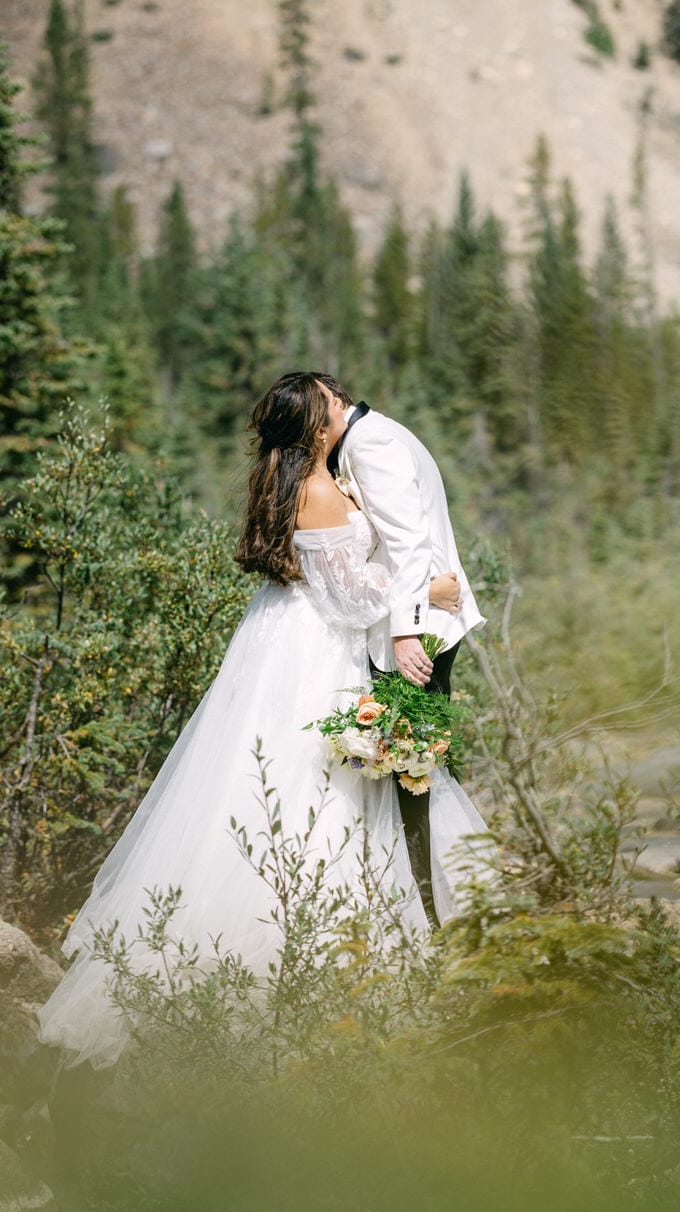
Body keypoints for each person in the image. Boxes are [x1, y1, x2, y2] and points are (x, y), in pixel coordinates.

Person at [36, 373, 489, 1071]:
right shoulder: (313, 487)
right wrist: (426, 593)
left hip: (286, 636)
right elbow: (345, 598)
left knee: (283, 779)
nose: (340, 411)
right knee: (316, 787)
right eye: (329, 406)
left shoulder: (292, 477)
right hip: (316, 649)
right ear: (314, 426)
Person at [314, 373, 486, 924]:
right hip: (417, 619)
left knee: (412, 773)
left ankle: (436, 915)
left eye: (316, 407)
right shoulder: (367, 439)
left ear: (337, 402)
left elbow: (411, 546)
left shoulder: (372, 443)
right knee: (412, 769)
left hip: (417, 633)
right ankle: (433, 908)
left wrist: (405, 631)